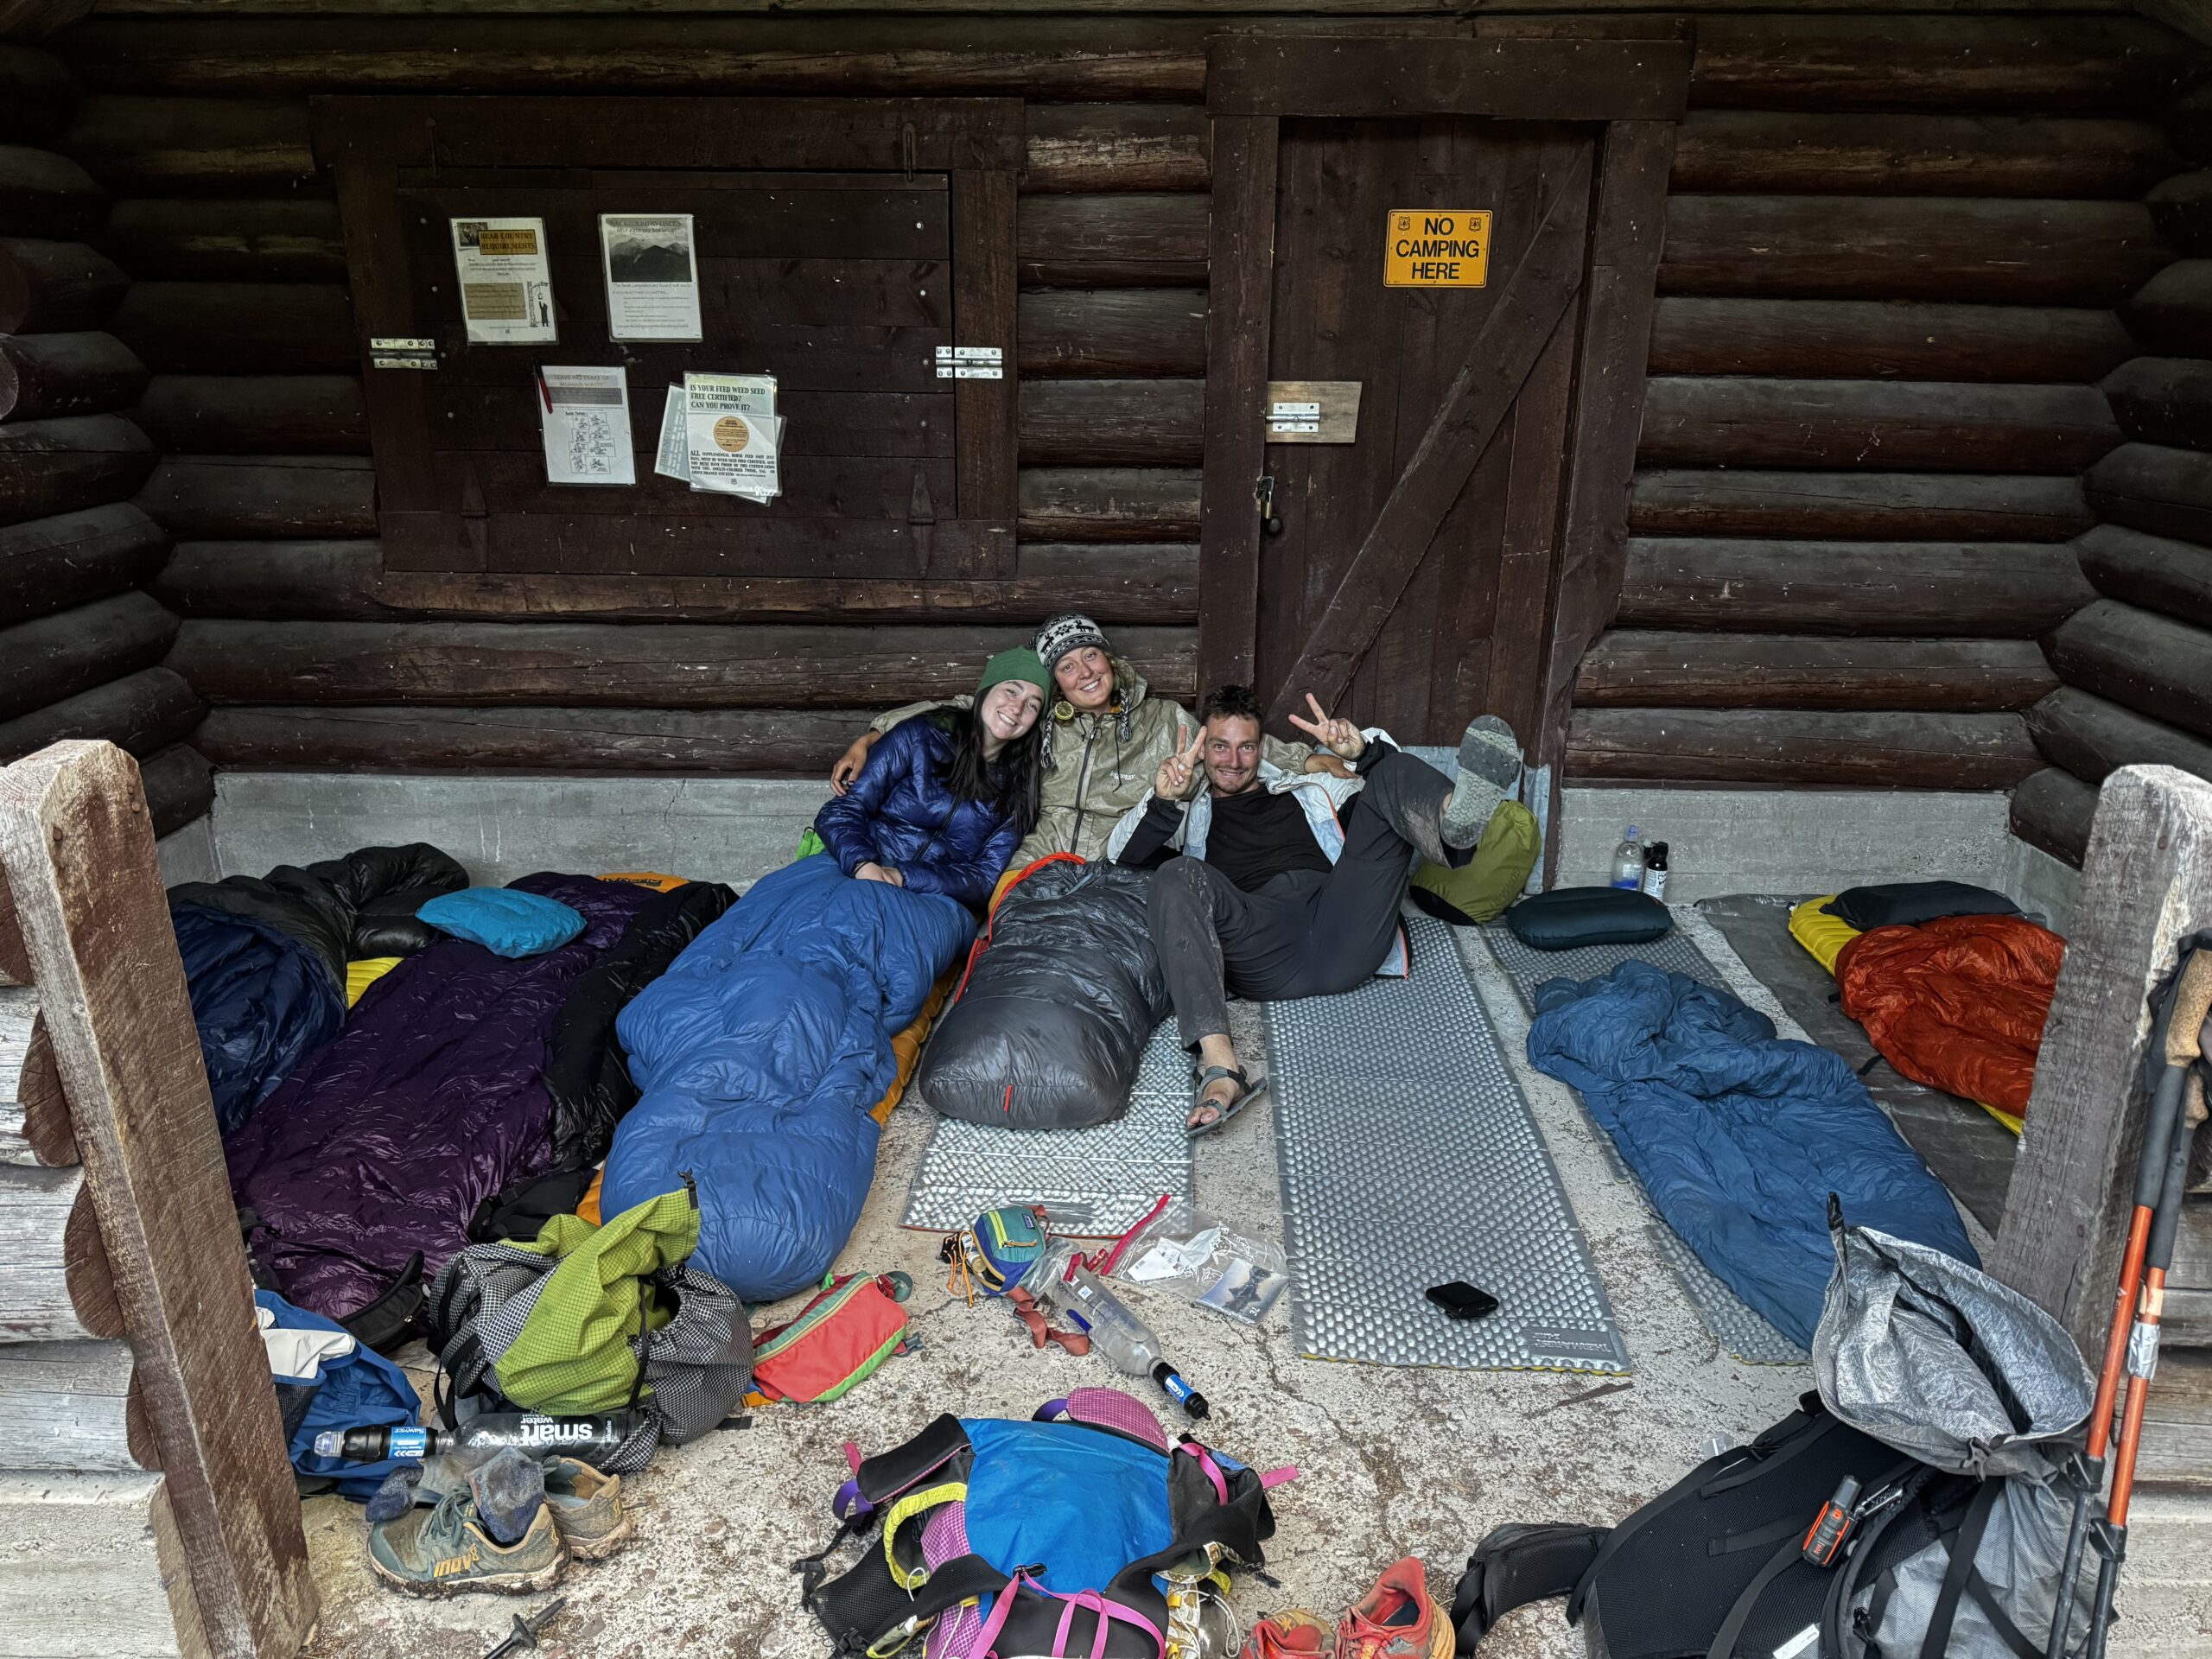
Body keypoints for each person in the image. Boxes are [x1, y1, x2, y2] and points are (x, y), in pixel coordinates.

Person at [1110, 684, 1522, 1133]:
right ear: (1203, 748)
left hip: (1343, 924)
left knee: (1390, 769)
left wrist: (1362, 752)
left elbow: (1394, 797)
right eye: (1220, 746)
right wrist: (1165, 800)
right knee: (1176, 874)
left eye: (1246, 747)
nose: (1234, 760)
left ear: (1262, 747)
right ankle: (1222, 1070)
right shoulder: (1189, 808)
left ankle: (1454, 824)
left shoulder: (1308, 786)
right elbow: (1120, 859)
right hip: (1261, 944)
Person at [827, 613, 1332, 866]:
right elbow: (963, 707)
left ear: (1109, 659)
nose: (1085, 672)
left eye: (1090, 655)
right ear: (1056, 684)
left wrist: (1311, 761)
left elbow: (1226, 741)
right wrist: (873, 735)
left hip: (1117, 861)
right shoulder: (1037, 716)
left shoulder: (1160, 720)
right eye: (1067, 666)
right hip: (1033, 859)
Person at [813, 647, 1050, 912]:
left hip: (937, 897)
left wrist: (903, 876)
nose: (1017, 708)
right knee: (810, 912)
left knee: (873, 927)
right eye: (1011, 691)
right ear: (986, 690)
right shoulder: (921, 736)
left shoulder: (1019, 789)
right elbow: (844, 808)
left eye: (1032, 705)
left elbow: (984, 878)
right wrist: (862, 863)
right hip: (863, 860)